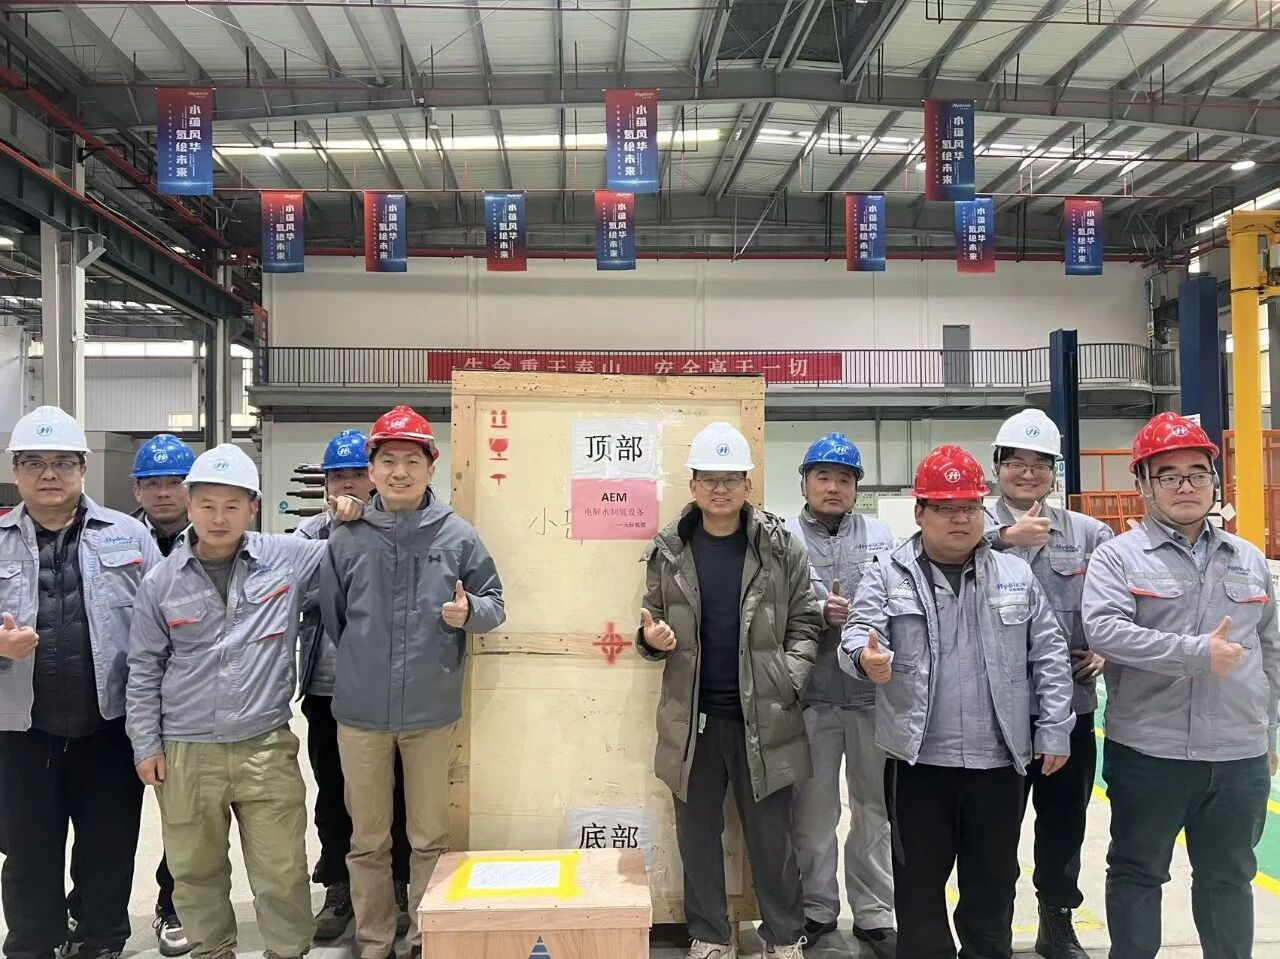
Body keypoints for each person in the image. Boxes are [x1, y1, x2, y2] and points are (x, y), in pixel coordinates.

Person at [126, 444, 361, 959]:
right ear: (189, 505)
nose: (219, 518)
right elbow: (143, 669)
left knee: (281, 868)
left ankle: (287, 951)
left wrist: (352, 511)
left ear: (252, 507)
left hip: (264, 745)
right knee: (195, 870)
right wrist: (146, 745)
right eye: (207, 505)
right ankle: (212, 951)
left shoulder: (285, 557)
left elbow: (348, 551)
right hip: (186, 750)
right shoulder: (160, 581)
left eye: (232, 505)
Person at [841, 444, 1074, 959]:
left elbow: (1050, 654)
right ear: (919, 512)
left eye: (969, 507)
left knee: (992, 888)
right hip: (918, 765)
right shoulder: (887, 574)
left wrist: (1055, 729)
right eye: (945, 508)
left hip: (999, 763)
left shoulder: (1015, 575)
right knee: (918, 892)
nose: (960, 518)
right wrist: (865, 659)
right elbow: (857, 633)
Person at [1082, 412, 1280, 959]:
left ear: (1214, 481)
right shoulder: (1118, 557)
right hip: (1152, 753)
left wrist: (1267, 732)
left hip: (1238, 755)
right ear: (1144, 484)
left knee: (1229, 876)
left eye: (1197, 473)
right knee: (1138, 872)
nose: (1185, 485)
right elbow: (1105, 630)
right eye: (1168, 475)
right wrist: (1195, 654)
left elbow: (1271, 650)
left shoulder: (1248, 558)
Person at [321, 406, 506, 959]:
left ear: (431, 468)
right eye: (388, 461)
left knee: (429, 837)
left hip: (430, 709)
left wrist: (468, 612)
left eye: (411, 461)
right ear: (371, 470)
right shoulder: (347, 537)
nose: (399, 472)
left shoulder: (458, 535)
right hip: (361, 713)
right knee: (367, 840)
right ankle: (375, 940)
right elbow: (334, 617)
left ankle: (427, 937)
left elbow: (495, 604)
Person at [636, 421, 821, 959]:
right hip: (692, 720)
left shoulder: (779, 546)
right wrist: (651, 640)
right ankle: (710, 935)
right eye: (710, 479)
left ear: (748, 484)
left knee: (772, 838)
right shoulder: (670, 549)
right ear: (693, 484)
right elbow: (650, 620)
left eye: (731, 478)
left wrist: (788, 678)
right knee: (697, 836)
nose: (720, 489)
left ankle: (783, 936)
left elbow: (806, 620)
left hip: (764, 715)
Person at [0, 406, 161, 959]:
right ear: (16, 471)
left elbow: (164, 621)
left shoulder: (130, 535)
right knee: (28, 849)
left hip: (109, 726)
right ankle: (34, 943)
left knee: (108, 846)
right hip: (22, 730)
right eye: (34, 463)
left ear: (83, 468)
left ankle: (101, 938)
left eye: (63, 462)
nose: (49, 474)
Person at [984, 410, 1112, 959]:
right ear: (996, 467)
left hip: (1069, 706)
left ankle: (1056, 922)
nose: (1027, 473)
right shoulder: (967, 525)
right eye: (1016, 461)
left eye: (1040, 464)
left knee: (1063, 822)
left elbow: (1115, 606)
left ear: (1054, 471)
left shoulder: (1088, 534)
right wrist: (1001, 539)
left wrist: (1104, 649)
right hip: (992, 711)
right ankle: (990, 923)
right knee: (993, 826)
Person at [295, 430, 412, 942]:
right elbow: (297, 593)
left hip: (387, 685)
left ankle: (398, 885)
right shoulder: (307, 534)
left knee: (397, 791)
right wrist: (341, 541)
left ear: (375, 477)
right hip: (327, 687)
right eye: (336, 476)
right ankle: (339, 885)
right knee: (332, 791)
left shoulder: (398, 526)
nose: (348, 484)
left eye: (356, 474)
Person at [784, 433, 896, 957]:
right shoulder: (782, 538)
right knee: (814, 813)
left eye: (844, 479)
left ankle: (875, 913)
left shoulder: (882, 536)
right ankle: (817, 908)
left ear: (857, 488)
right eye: (823, 477)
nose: (833, 487)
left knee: (875, 810)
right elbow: (767, 607)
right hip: (811, 698)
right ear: (805, 483)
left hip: (873, 698)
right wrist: (814, 610)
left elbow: (899, 598)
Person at [130, 432, 198, 957]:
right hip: (128, 693)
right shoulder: (115, 539)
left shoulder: (221, 535)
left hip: (195, 700)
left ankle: (175, 904)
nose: (163, 492)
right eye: (151, 483)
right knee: (114, 818)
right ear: (137, 489)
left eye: (174, 481)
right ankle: (95, 911)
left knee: (188, 814)